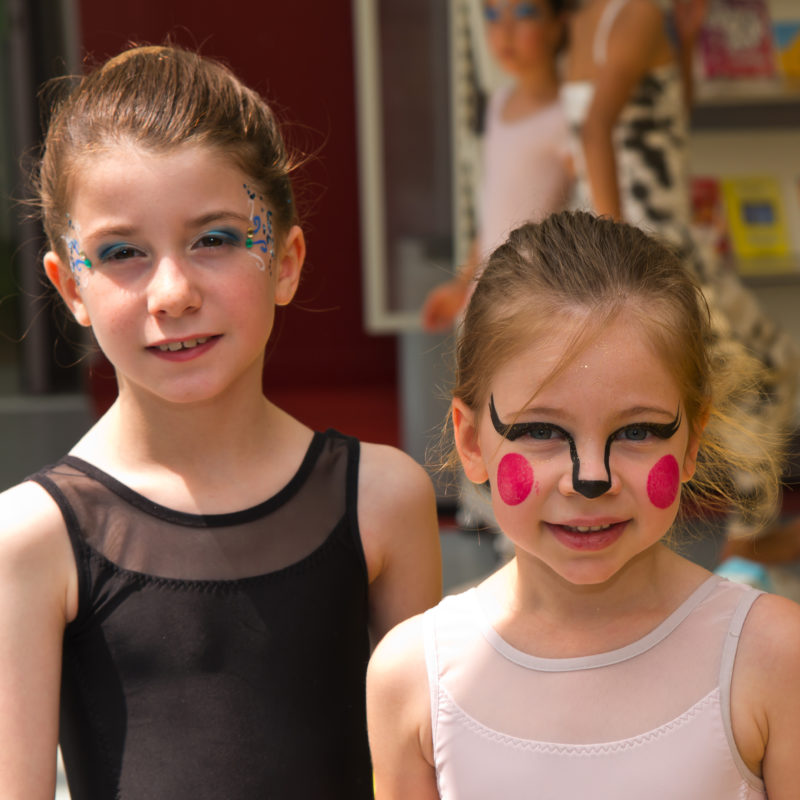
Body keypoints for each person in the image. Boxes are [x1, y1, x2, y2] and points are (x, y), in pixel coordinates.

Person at [0, 45, 442, 799]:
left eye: (215, 239)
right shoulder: (32, 538)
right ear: (70, 286)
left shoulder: (383, 501)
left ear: (288, 259)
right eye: (122, 253)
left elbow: (431, 772)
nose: (171, 292)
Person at [367, 211, 800, 799]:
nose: (589, 478)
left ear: (693, 443)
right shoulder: (414, 676)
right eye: (541, 430)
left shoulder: (772, 655)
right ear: (472, 442)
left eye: (640, 431)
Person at [560, 0, 799, 562]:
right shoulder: (636, 13)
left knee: (726, 378)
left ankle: (741, 532)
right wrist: (618, 247)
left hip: (652, 238)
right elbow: (597, 128)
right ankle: (750, 537)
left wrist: (686, 45)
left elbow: (662, 121)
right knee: (760, 373)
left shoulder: (593, 20)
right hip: (655, 242)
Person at [421, 0, 571, 333]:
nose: (504, 32)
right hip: (485, 295)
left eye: (523, 13)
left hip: (533, 300)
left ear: (558, 24)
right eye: (492, 15)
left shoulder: (569, 116)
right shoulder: (499, 104)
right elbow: (492, 217)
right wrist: (461, 286)